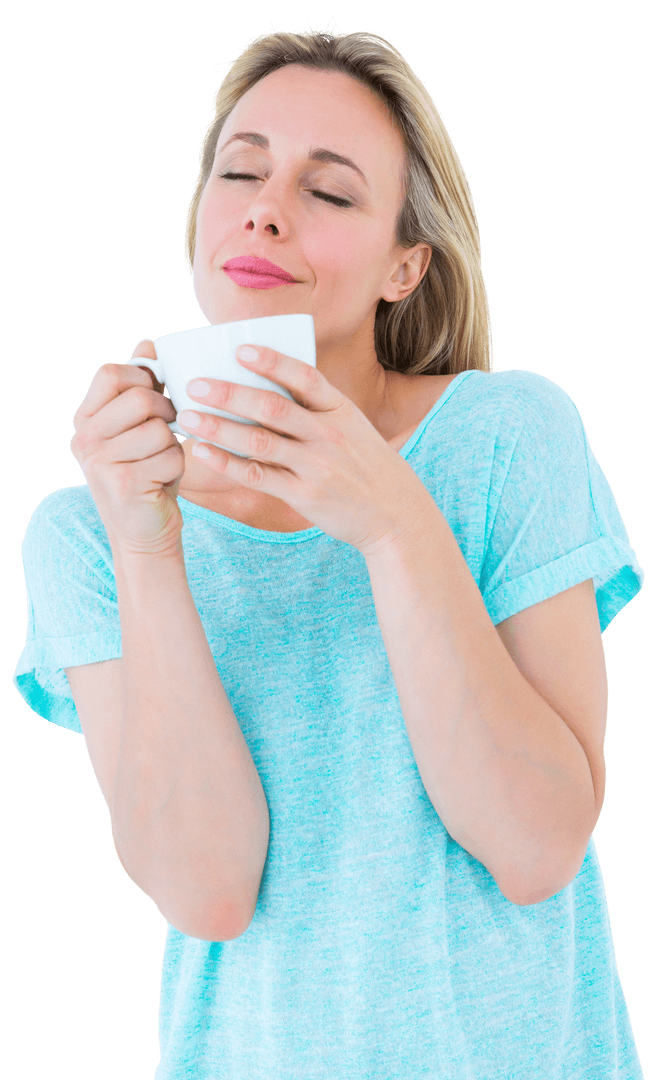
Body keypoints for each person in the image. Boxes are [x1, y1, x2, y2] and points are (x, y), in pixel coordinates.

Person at [12, 25, 645, 1080]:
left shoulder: (508, 436)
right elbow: (207, 891)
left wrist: (392, 521)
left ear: (407, 265)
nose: (265, 208)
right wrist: (147, 546)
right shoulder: (85, 533)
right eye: (240, 171)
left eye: (330, 190)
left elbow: (537, 849)